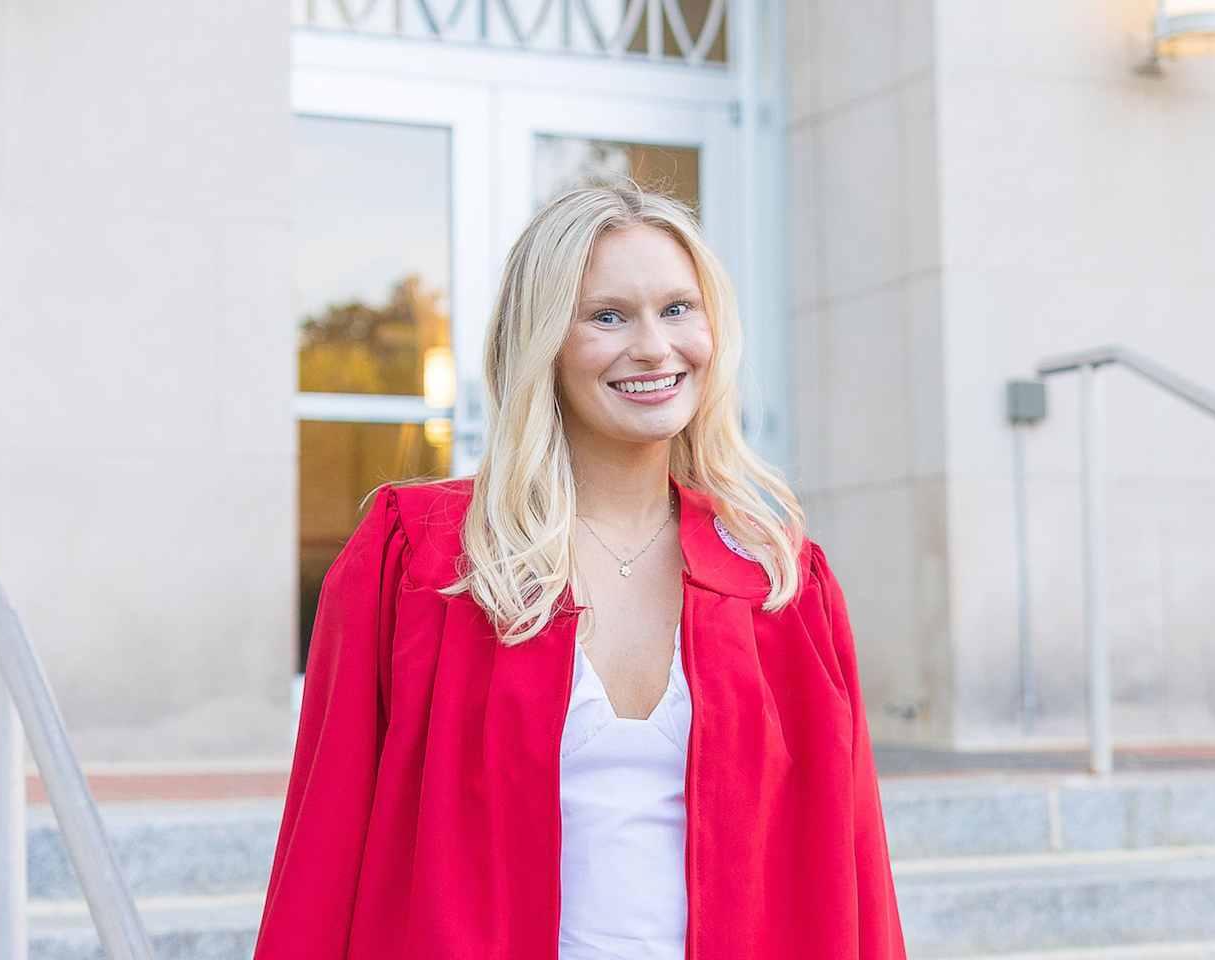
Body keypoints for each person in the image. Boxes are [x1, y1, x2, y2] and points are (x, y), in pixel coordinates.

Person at [254, 178, 906, 960]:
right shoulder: (421, 562)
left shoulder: (778, 580)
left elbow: (855, 869)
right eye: (607, 316)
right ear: (541, 343)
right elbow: (325, 844)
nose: (655, 347)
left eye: (676, 309)